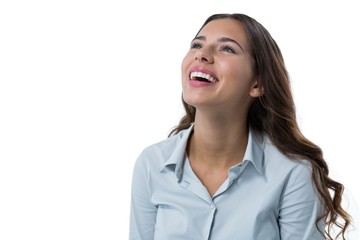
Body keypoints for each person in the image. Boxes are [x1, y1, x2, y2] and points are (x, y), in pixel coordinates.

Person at [129, 13, 352, 240]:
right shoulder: (151, 164)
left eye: (227, 49)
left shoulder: (293, 174)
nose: (202, 55)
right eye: (197, 44)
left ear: (257, 84)